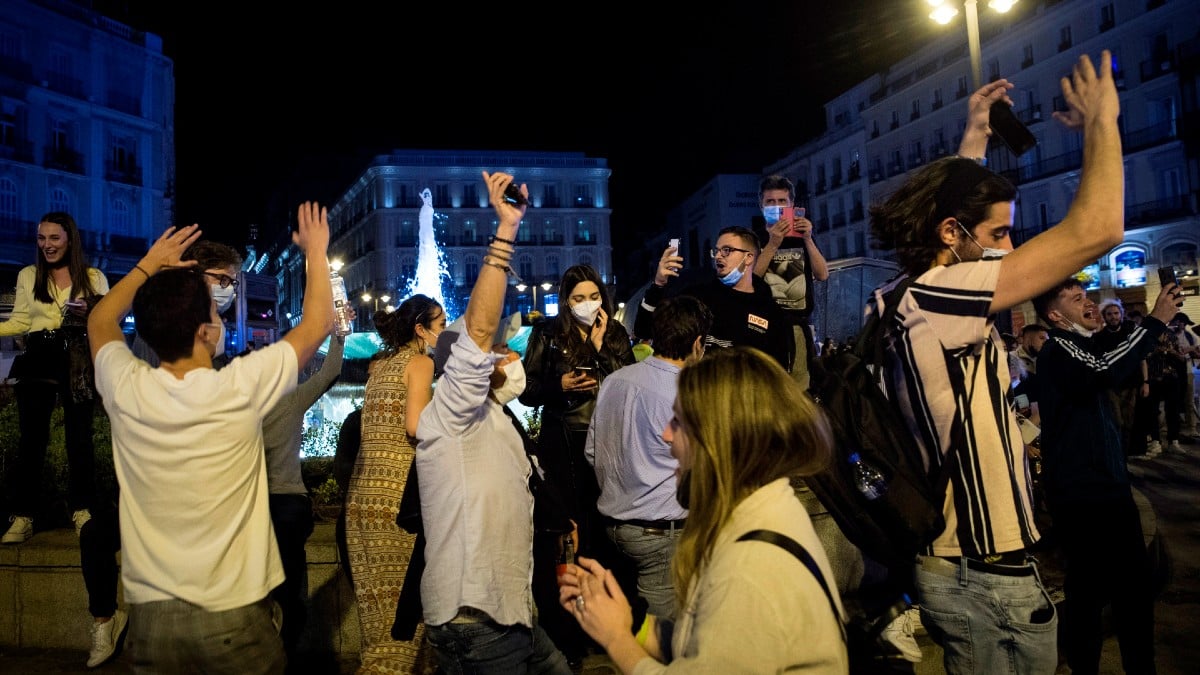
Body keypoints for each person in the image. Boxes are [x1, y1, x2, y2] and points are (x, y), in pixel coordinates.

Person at [865, 52, 1125, 674]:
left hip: (956, 566)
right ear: (954, 235)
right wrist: (1102, 122)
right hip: (986, 575)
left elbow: (956, 225)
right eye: (1002, 235)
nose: (1009, 252)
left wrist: (975, 136)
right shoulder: (939, 295)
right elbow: (1099, 229)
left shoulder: (898, 296)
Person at [87, 201, 334, 673]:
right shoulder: (238, 388)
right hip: (233, 614)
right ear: (205, 332)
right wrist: (315, 252)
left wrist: (148, 266)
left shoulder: (126, 389)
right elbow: (317, 325)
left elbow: (101, 321)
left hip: (151, 622)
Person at [559, 346, 848, 673]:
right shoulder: (765, 509)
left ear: (719, 441)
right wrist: (628, 620)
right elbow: (699, 645)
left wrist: (615, 639)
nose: (667, 435)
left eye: (679, 422)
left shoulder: (748, 570)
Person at [415, 171, 571, 674]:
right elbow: (479, 328)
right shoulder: (452, 414)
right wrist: (506, 230)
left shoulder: (495, 416)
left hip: (509, 613)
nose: (505, 356)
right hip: (477, 620)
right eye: (494, 352)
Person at [1032, 277, 1179, 675]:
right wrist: (1155, 322)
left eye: (1088, 297)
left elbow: (1113, 356)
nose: (1090, 303)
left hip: (1103, 488)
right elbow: (1107, 369)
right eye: (1077, 299)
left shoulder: (1079, 345)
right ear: (1054, 316)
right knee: (1106, 593)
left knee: (1113, 591)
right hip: (1087, 495)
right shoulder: (1059, 351)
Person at [519, 263, 635, 662]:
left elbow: (628, 384)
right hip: (563, 443)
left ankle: (607, 627)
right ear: (567, 303)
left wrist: (602, 350)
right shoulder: (547, 334)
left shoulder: (615, 334)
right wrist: (560, 385)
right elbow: (526, 390)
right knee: (565, 537)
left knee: (603, 535)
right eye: (579, 299)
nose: (588, 305)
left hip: (607, 443)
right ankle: (567, 635)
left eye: (594, 297)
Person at [585, 295, 711, 621]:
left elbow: (591, 451)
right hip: (659, 535)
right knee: (663, 636)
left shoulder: (615, 380)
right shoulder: (685, 391)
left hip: (614, 528)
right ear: (698, 343)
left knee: (635, 621)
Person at [344, 294, 443, 673]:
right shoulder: (421, 363)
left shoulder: (379, 365)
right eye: (440, 325)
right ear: (421, 330)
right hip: (397, 496)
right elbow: (416, 426)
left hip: (363, 498)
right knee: (403, 613)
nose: (445, 332)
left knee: (377, 613)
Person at [2, 212, 109, 544]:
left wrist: (89, 312)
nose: (46, 245)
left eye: (54, 238)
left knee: (80, 438)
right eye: (41, 238)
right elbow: (20, 321)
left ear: (70, 239)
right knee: (31, 440)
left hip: (76, 357)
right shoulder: (28, 275)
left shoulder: (94, 277)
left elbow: (106, 322)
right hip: (37, 355)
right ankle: (23, 516)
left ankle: (82, 511)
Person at [264, 329, 346, 669]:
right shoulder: (291, 399)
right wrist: (339, 336)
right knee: (292, 570)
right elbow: (330, 373)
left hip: (255, 504)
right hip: (290, 502)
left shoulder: (236, 406)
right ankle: (291, 637)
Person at [635, 226, 792, 371]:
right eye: (716, 251)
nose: (718, 256)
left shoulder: (771, 312)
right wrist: (658, 285)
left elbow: (779, 373)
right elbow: (643, 329)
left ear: (749, 257)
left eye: (727, 250)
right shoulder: (698, 296)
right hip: (700, 395)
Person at [753, 174, 830, 390]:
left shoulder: (801, 236)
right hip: (765, 327)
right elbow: (752, 279)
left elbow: (822, 274)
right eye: (770, 202)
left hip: (797, 326)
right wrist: (772, 244)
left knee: (799, 389)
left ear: (791, 205)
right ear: (761, 205)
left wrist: (807, 238)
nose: (776, 206)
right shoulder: (754, 238)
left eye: (781, 201)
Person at [131, 239, 243, 368]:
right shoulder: (160, 326)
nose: (228, 288)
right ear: (193, 276)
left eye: (232, 283)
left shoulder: (213, 324)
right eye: (222, 279)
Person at [1094, 298, 1149, 458]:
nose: (1113, 317)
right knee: (1117, 421)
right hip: (1111, 386)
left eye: (1116, 313)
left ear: (1121, 314)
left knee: (1129, 422)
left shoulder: (1130, 333)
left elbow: (1142, 359)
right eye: (1109, 314)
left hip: (1132, 384)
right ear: (1104, 316)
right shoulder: (1099, 337)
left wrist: (1145, 382)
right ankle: (1117, 456)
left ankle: (1125, 455)